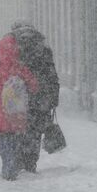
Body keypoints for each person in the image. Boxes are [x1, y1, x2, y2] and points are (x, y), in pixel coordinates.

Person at [0, 34, 38, 180]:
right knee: (16, 142)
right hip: (18, 116)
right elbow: (34, 86)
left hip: (2, 115)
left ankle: (8, 166)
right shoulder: (22, 69)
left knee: (5, 145)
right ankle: (14, 166)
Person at [9, 19, 60, 172]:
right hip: (41, 96)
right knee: (35, 130)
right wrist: (53, 97)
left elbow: (7, 72)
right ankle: (31, 162)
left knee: (17, 128)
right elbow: (52, 75)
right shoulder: (43, 48)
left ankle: (18, 160)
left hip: (18, 94)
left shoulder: (13, 47)